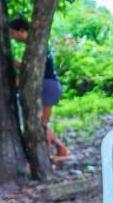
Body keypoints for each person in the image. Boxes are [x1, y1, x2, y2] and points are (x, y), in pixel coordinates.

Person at [8, 17, 73, 161]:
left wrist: (11, 62)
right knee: (41, 123)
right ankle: (59, 149)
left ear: (22, 31)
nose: (12, 37)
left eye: (13, 33)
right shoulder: (36, 46)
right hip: (48, 85)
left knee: (41, 124)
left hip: (47, 86)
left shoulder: (35, 46)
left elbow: (29, 70)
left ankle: (52, 152)